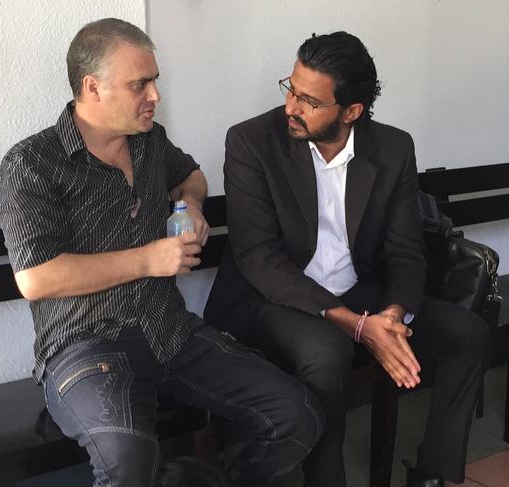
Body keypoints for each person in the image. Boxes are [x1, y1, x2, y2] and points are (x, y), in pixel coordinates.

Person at [0, 18, 323, 487]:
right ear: (93, 87)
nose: (155, 96)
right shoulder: (31, 164)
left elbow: (191, 175)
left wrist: (189, 204)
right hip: (84, 348)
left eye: (154, 81)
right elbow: (37, 278)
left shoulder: (150, 141)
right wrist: (150, 259)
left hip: (170, 331)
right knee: (129, 459)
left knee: (296, 412)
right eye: (139, 84)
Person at [204, 31, 490, 487]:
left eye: (308, 101)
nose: (290, 107)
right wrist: (358, 327)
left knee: (468, 333)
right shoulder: (251, 142)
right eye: (290, 89)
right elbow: (259, 259)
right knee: (327, 349)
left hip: (360, 290)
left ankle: (433, 474)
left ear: (351, 111)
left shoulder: (393, 148)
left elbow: (404, 249)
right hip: (272, 299)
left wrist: (392, 317)